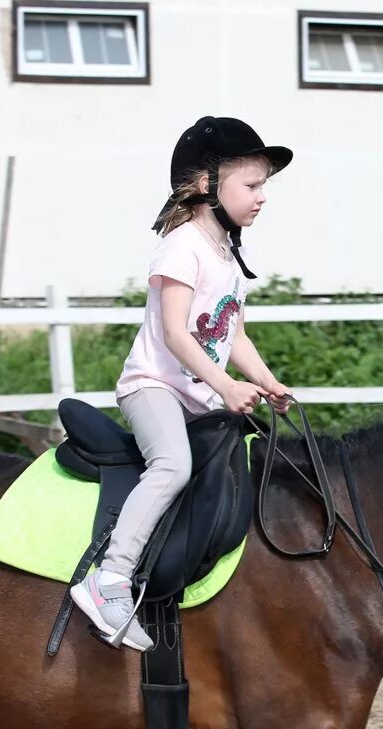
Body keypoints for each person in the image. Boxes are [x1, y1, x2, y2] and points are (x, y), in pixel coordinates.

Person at [71, 116, 294, 651]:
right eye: (252, 185)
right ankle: (109, 578)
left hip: (195, 392)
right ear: (205, 187)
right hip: (154, 386)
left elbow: (232, 333)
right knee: (173, 464)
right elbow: (174, 333)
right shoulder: (182, 247)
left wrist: (268, 383)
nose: (262, 197)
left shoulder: (228, 257)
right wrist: (225, 386)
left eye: (264, 186)